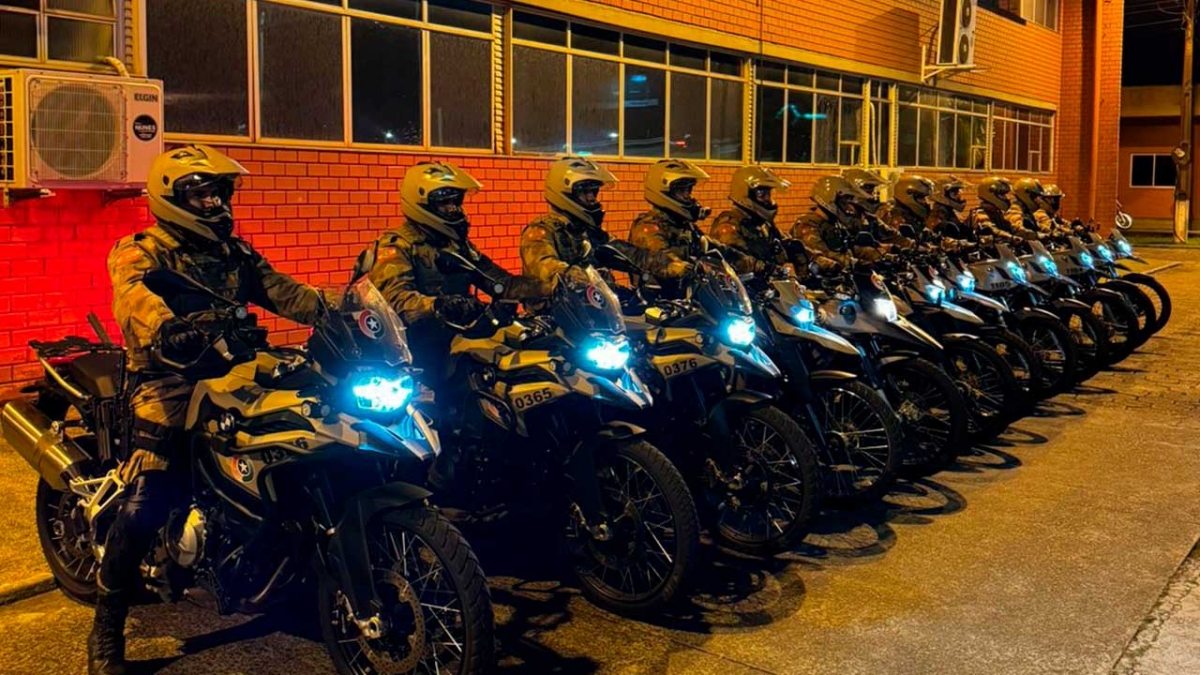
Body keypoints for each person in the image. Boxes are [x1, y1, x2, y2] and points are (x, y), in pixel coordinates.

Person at [98, 145, 330, 675]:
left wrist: (344, 306)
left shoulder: (234, 253)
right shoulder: (141, 250)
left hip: (236, 368)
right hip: (170, 379)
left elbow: (286, 293)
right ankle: (107, 626)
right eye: (201, 194)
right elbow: (133, 299)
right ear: (171, 198)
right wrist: (166, 327)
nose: (214, 203)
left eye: (218, 193)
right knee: (149, 498)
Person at [368, 161, 545, 379]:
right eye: (444, 203)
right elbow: (394, 301)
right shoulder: (396, 246)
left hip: (463, 342)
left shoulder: (456, 245)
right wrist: (440, 305)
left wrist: (547, 288)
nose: (453, 208)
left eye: (456, 201)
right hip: (421, 352)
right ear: (421, 203)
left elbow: (497, 280)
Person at [520, 156, 690, 289]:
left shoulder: (589, 233)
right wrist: (579, 276)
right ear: (565, 192)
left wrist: (674, 265)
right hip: (554, 316)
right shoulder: (539, 233)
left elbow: (633, 255)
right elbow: (547, 269)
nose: (592, 198)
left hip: (595, 309)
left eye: (594, 192)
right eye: (584, 192)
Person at [628, 159, 761, 296]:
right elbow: (660, 261)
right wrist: (688, 268)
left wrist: (757, 265)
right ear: (664, 191)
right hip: (656, 303)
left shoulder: (683, 226)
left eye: (688, 190)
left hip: (688, 300)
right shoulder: (648, 229)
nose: (688, 196)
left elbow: (717, 248)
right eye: (682, 191)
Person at [708, 165, 802, 278]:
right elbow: (733, 260)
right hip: (744, 287)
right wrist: (766, 268)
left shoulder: (762, 224)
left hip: (771, 284)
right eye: (761, 194)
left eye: (768, 194)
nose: (767, 199)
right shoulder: (729, 226)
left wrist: (812, 258)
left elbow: (784, 241)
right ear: (744, 193)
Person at [790, 174, 883, 270]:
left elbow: (848, 249)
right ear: (830, 198)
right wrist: (855, 263)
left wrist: (874, 254)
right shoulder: (808, 224)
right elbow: (822, 255)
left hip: (840, 275)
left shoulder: (835, 223)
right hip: (819, 277)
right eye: (844, 200)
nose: (848, 206)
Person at [883, 174, 977, 255]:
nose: (926, 202)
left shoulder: (913, 216)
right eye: (922, 198)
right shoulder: (896, 219)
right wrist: (921, 247)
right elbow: (899, 240)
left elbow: (929, 235)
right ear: (908, 196)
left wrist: (955, 243)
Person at [970, 176, 1032, 246]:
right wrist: (1010, 237)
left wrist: (1028, 233)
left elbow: (1010, 226)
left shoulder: (997, 212)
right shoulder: (979, 213)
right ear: (990, 195)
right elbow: (992, 229)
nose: (1006, 198)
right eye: (1002, 195)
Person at [927, 176, 982, 252]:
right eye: (955, 193)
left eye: (958, 192)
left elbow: (960, 231)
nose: (959, 195)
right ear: (942, 194)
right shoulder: (939, 212)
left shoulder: (949, 209)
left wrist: (970, 225)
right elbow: (942, 238)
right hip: (950, 254)